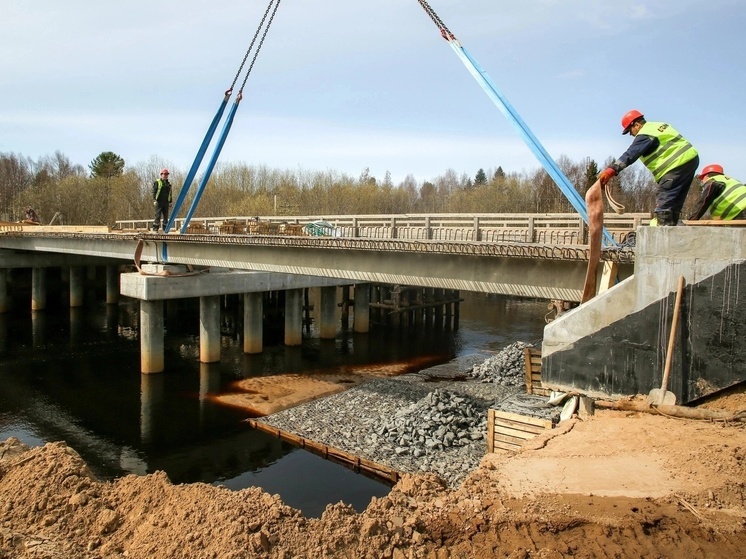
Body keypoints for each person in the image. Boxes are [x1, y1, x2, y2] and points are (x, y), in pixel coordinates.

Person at [597, 110, 699, 226]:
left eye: (630, 131)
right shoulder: (658, 125)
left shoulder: (645, 133)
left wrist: (611, 171)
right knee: (674, 204)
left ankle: (664, 236)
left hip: (674, 165)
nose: (631, 134)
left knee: (664, 204)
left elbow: (631, 154)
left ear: (637, 124)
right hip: (690, 160)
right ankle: (674, 231)